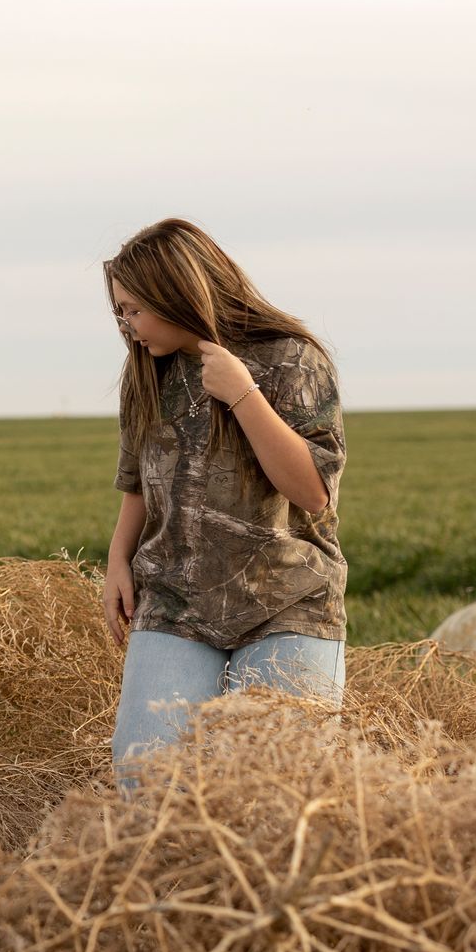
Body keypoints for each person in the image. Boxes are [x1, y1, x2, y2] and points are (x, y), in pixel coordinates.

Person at [103, 219, 348, 777]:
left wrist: (242, 392)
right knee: (144, 776)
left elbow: (311, 491)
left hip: (287, 603)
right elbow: (138, 480)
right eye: (119, 311)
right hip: (173, 603)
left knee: (276, 781)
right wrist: (118, 559)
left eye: (134, 309)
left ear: (178, 293)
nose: (126, 324)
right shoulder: (144, 372)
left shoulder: (292, 358)